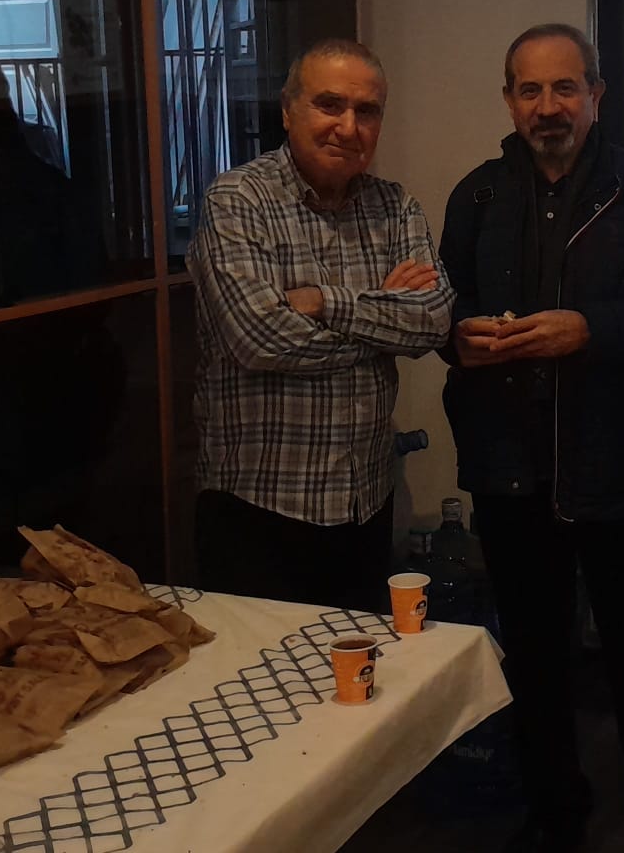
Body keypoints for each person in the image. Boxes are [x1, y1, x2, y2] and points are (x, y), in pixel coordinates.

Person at [437, 23, 624, 852]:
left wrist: (588, 329)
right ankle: (554, 814)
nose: (548, 106)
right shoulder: (476, 197)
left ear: (597, 94)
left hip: (621, 470)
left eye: (566, 87)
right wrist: (455, 337)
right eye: (530, 89)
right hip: (509, 471)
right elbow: (444, 311)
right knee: (532, 659)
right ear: (509, 101)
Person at [187, 39, 454, 613]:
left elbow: (433, 322)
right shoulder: (238, 200)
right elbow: (259, 339)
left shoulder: (394, 206)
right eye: (329, 104)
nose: (348, 127)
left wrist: (321, 301)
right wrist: (383, 320)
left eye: (367, 110)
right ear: (288, 111)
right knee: (259, 668)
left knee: (357, 665)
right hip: (259, 507)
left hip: (365, 502)